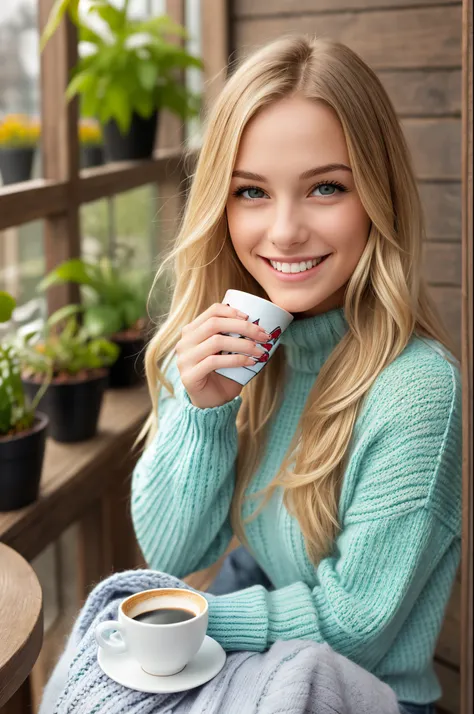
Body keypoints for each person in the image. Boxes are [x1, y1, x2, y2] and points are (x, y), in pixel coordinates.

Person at [131, 35, 462, 714]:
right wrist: (201, 414)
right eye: (251, 191)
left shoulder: (419, 390)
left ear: (378, 196)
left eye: (326, 187)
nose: (283, 230)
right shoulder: (225, 345)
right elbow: (172, 549)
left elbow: (357, 629)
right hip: (261, 669)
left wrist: (178, 625)